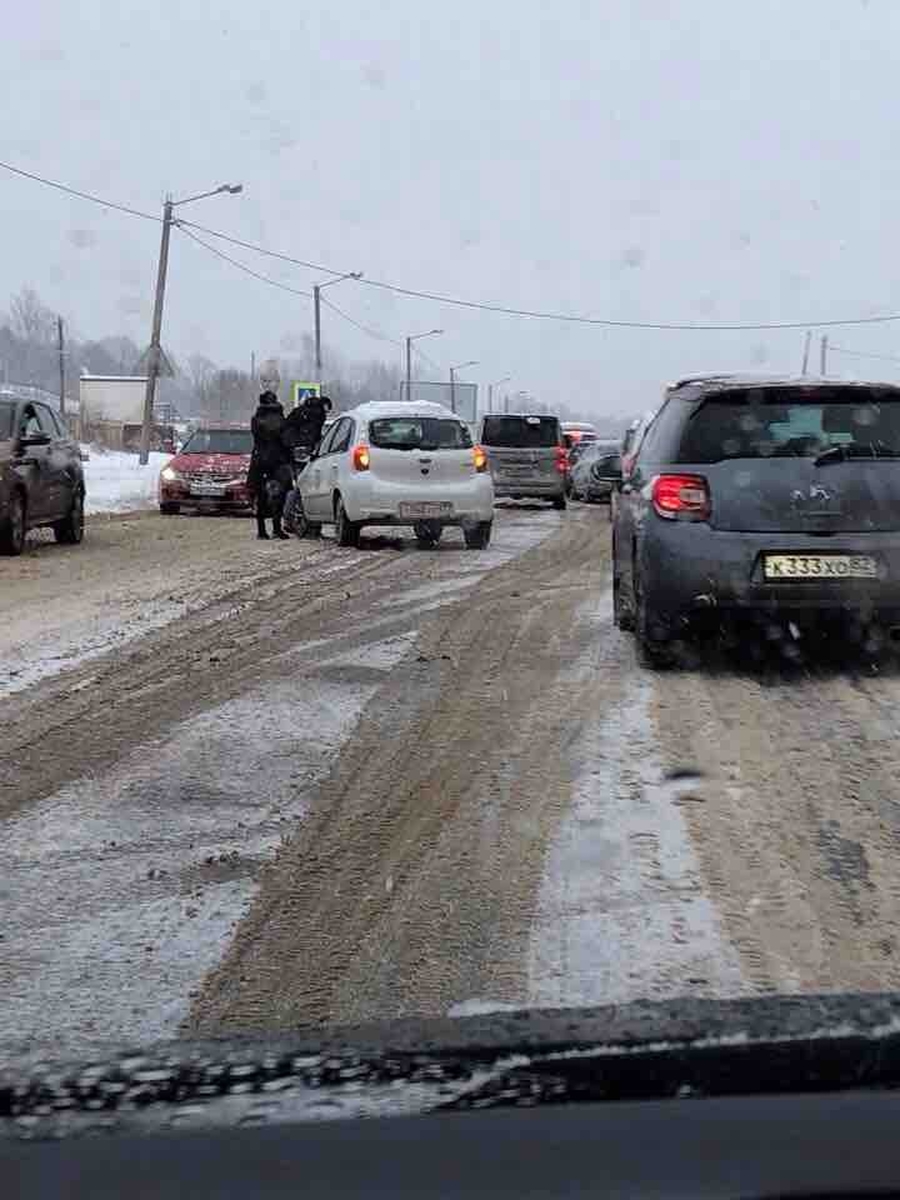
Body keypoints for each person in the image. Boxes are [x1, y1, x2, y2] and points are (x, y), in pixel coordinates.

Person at [248, 390, 291, 540]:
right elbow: (286, 440)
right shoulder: (280, 418)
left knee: (261, 495)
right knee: (279, 495)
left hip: (260, 461)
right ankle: (277, 528)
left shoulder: (256, 418)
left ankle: (261, 531)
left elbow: (257, 437)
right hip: (278, 461)